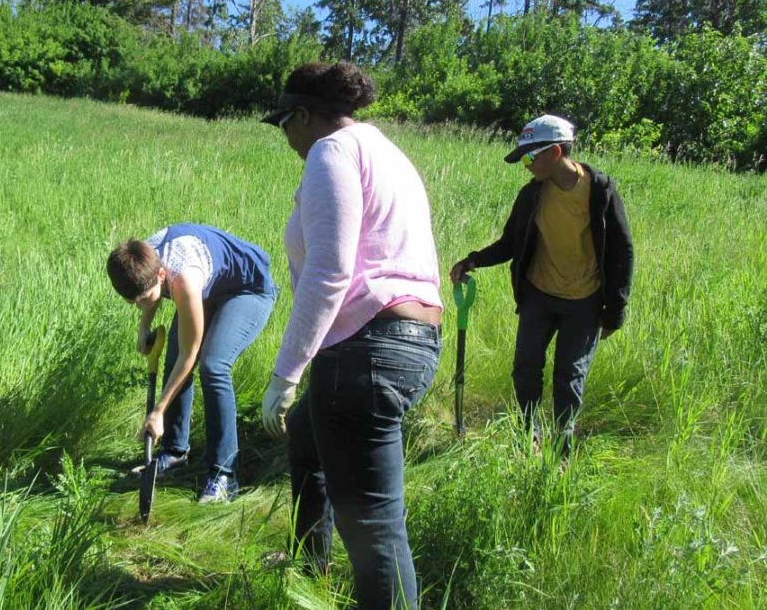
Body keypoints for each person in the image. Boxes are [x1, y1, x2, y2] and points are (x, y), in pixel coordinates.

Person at [259, 62, 442, 610]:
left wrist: (285, 374)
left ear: (304, 116)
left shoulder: (331, 151)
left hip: (366, 350)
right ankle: (308, 566)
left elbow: (330, 271)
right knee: (307, 440)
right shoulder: (386, 151)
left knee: (375, 528)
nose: (286, 138)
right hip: (411, 341)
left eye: (284, 125)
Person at [449, 114, 634, 454]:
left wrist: (615, 312)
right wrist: (472, 260)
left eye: (531, 157)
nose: (526, 165)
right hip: (539, 295)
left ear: (558, 152)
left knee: (569, 377)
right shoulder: (532, 195)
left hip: (585, 300)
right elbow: (510, 243)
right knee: (525, 369)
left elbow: (622, 253)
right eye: (523, 158)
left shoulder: (600, 192)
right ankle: (528, 438)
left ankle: (561, 453)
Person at [107, 223, 277, 504]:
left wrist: (158, 411)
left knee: (213, 365)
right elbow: (149, 294)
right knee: (172, 357)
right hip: (210, 288)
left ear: (161, 274)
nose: (140, 304)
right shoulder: (142, 257)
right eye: (132, 302)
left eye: (144, 299)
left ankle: (224, 476)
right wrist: (143, 326)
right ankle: (174, 454)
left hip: (248, 290)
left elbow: (191, 354)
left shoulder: (184, 278)